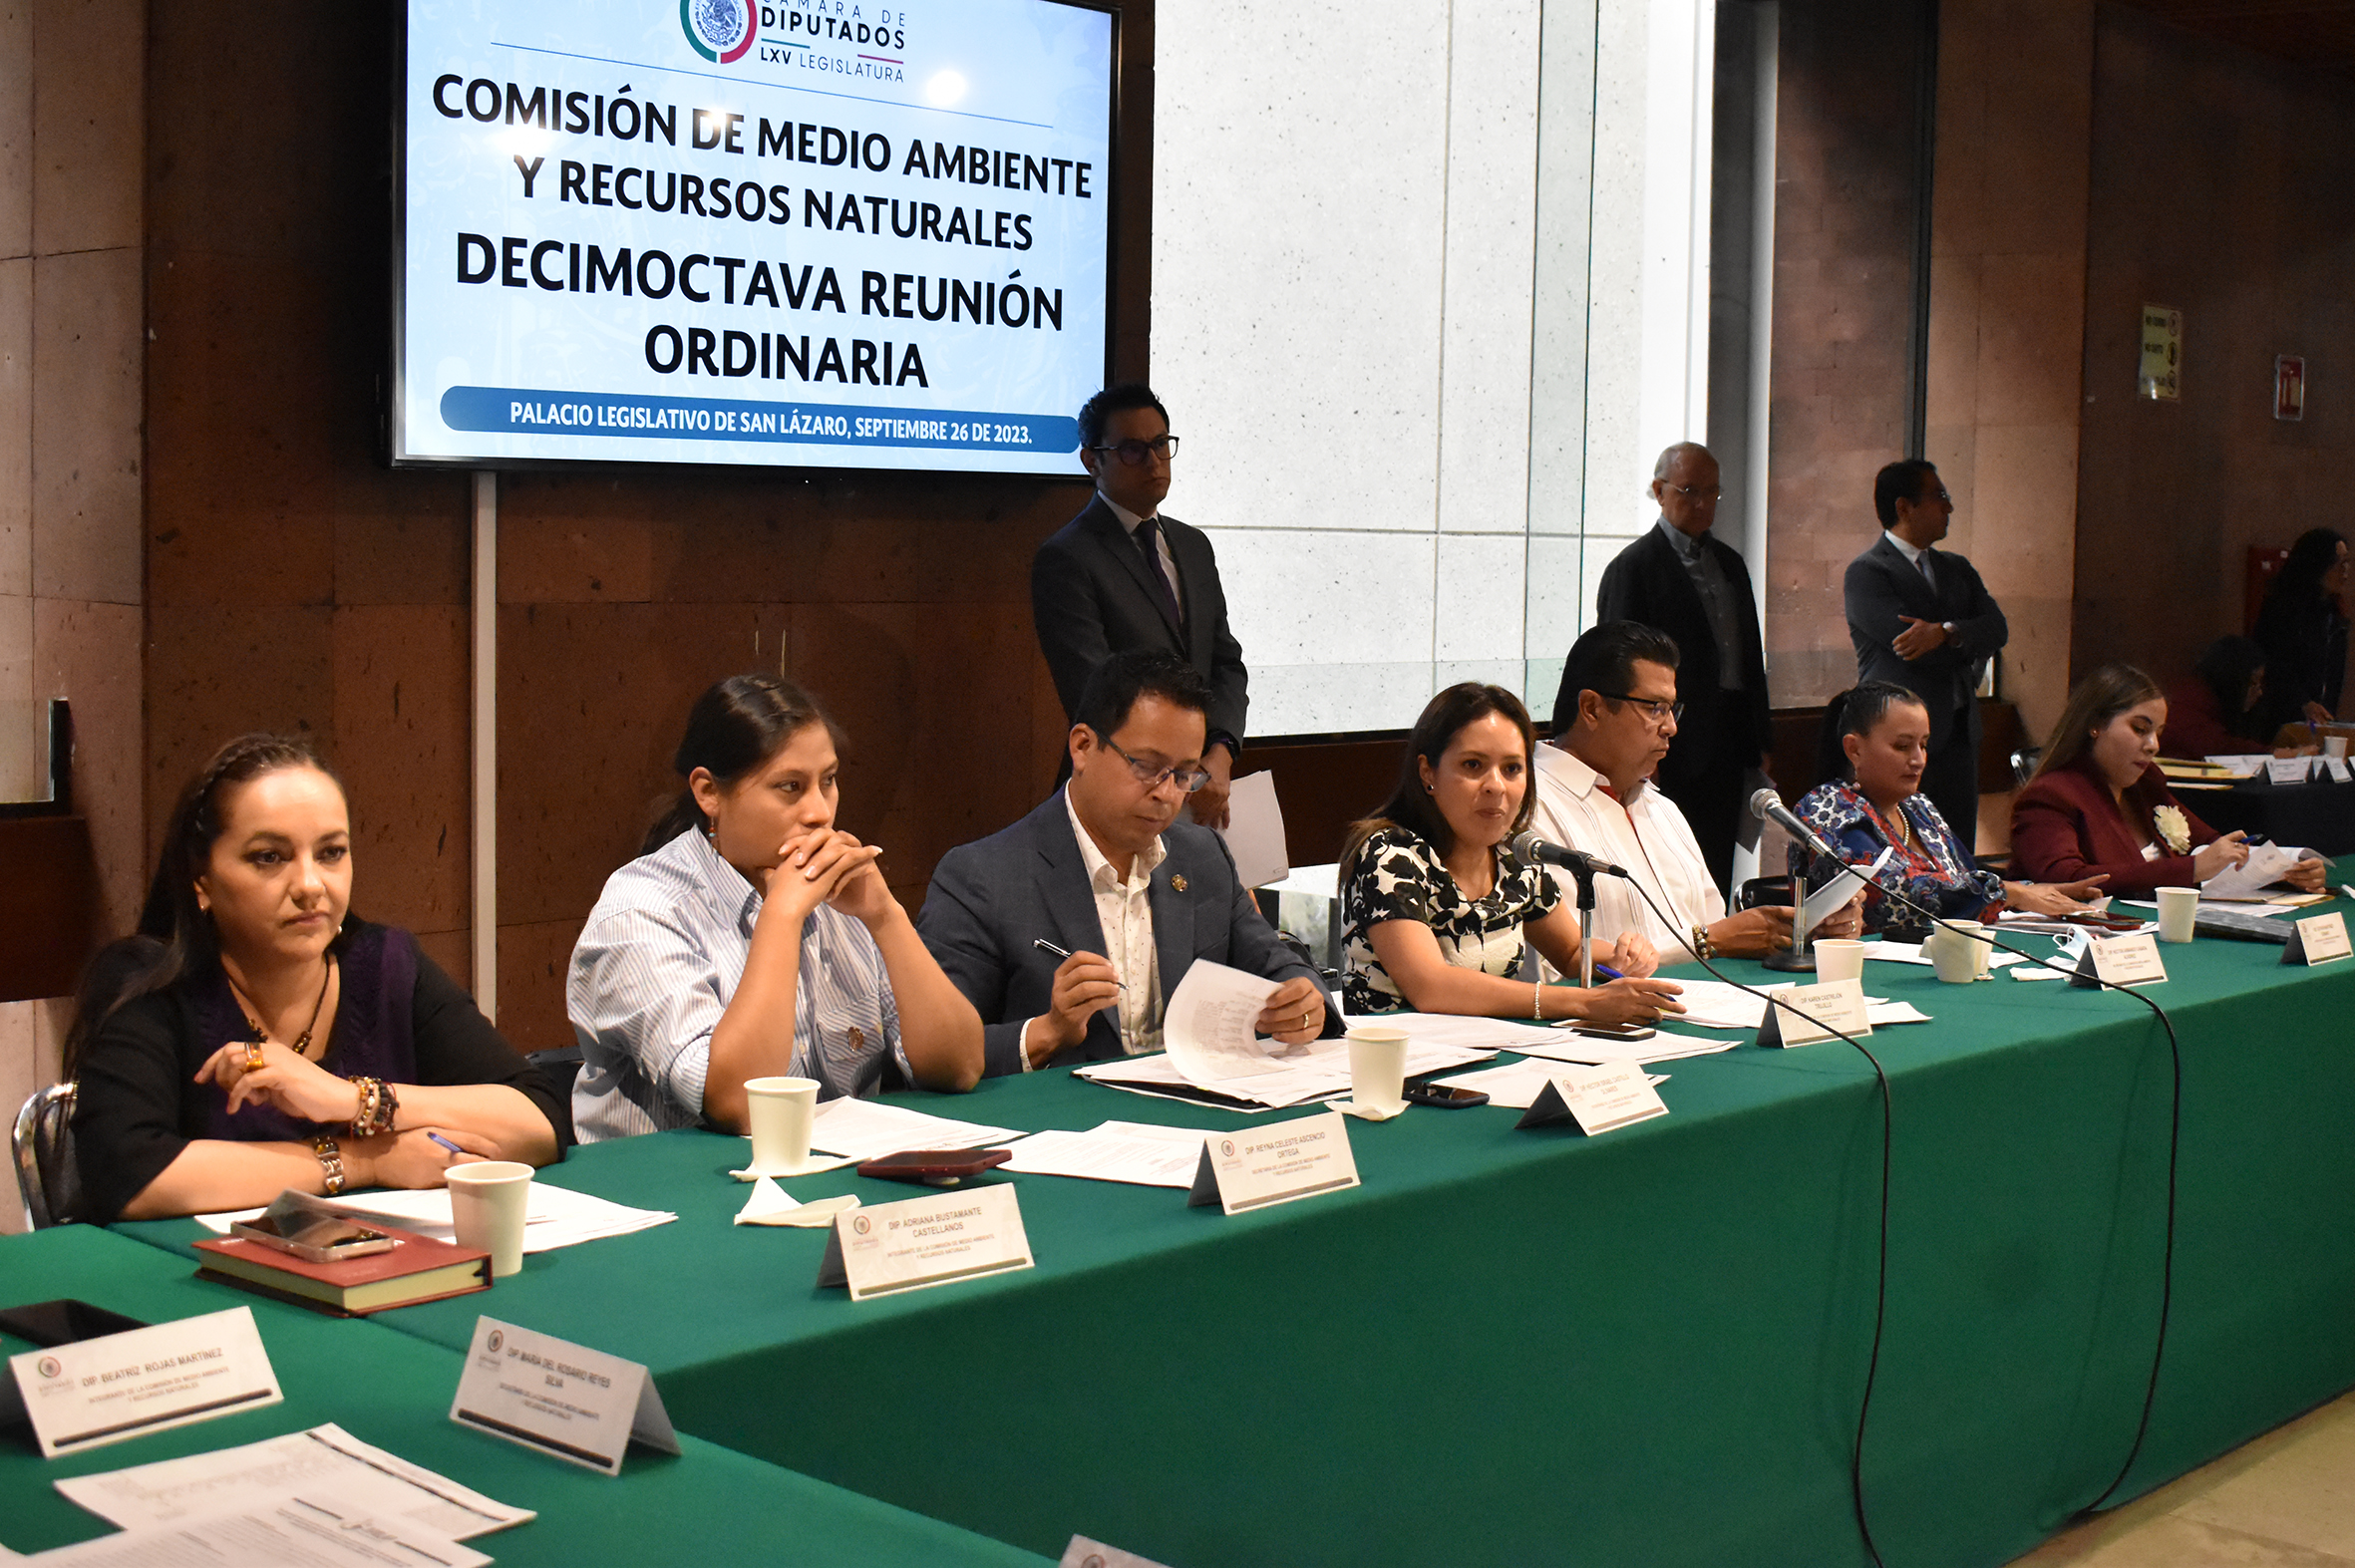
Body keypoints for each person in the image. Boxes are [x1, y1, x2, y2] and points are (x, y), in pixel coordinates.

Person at [66, 735, 567, 1225]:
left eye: (331, 853)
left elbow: (540, 1119)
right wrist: (362, 1162)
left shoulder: (386, 966)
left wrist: (355, 1099)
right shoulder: (149, 983)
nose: (310, 885)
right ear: (202, 879)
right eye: (269, 857)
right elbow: (127, 1172)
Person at [567, 676, 983, 1142]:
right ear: (708, 792)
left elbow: (960, 1066)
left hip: (833, 1170)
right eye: (790, 787)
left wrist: (885, 916)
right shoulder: (641, 912)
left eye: (828, 781)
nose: (819, 813)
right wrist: (781, 917)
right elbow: (740, 1105)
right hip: (676, 1183)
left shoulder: (838, 896)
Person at [917, 650, 1331, 1076]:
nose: (1167, 793)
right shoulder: (982, 877)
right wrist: (1049, 1031)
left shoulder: (1202, 856)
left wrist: (1303, 1002)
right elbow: (931, 1052)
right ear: (1082, 746)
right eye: (1147, 767)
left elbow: (1279, 967)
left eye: (1184, 774)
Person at [1338, 684, 1686, 1023]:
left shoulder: (1513, 854)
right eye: (1473, 765)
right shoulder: (1389, 855)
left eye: (1512, 769)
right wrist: (1581, 1003)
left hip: (1489, 1046)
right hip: (1398, 1053)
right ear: (1428, 772)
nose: (1496, 786)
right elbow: (1431, 987)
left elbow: (1570, 952)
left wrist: (1625, 957)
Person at [1529, 620, 1861, 964]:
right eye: (1654, 708)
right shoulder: (1530, 806)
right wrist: (1708, 942)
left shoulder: (1662, 809)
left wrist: (1805, 934)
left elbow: (1718, 932)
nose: (1671, 727)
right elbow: (1558, 962)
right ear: (1592, 708)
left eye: (1672, 709)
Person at [1032, 383, 1247, 827]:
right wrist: (1180, 767)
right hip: (1120, 789)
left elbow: (1225, 663)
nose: (1153, 462)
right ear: (1092, 460)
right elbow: (1096, 691)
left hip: (1202, 788)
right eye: (1132, 450)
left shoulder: (1193, 545)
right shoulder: (1067, 557)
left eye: (1160, 444)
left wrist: (1221, 752)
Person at [1593, 443, 1774, 893]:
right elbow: (1616, 667)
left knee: (1717, 867)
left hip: (1731, 738)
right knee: (1668, 864)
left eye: (1712, 492)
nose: (1702, 503)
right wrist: (1634, 748)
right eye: (1690, 490)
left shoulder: (1730, 563)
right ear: (1659, 491)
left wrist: (1761, 739)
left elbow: (1750, 656)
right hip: (1669, 739)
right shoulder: (1633, 568)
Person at [1791, 684, 2109, 938]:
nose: (1918, 760)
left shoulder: (1919, 808)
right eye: (1902, 746)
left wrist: (2033, 891)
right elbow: (1886, 896)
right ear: (1854, 749)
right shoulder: (1826, 807)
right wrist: (2008, 893)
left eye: (1923, 745)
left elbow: (1965, 878)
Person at [2012, 664, 2329, 897]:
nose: (2153, 745)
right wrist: (2193, 869)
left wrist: (2282, 870)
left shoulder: (2146, 784)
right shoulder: (2051, 795)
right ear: (2095, 725)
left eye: (2158, 733)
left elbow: (2212, 846)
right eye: (2140, 729)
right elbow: (2068, 879)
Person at [1844, 459, 2009, 844]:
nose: (1949, 506)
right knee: (1902, 848)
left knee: (1957, 848)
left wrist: (1946, 632)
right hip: (1897, 739)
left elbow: (1997, 628)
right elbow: (1910, 647)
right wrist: (1965, 639)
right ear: (1904, 507)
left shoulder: (1957, 568)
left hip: (1959, 734)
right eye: (1939, 496)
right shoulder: (1868, 571)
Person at [2251, 527, 2349, 737]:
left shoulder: (2335, 617)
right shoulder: (2282, 610)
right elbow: (2273, 665)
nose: (2345, 573)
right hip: (2278, 721)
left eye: (2347, 564)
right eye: (2339, 564)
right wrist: (2302, 702)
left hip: (2317, 721)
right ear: (2319, 565)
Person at [2161, 636, 2277, 759]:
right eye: (2253, 683)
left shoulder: (2206, 698)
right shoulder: (2190, 704)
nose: (2260, 692)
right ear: (2233, 680)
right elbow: (2217, 748)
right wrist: (2270, 752)